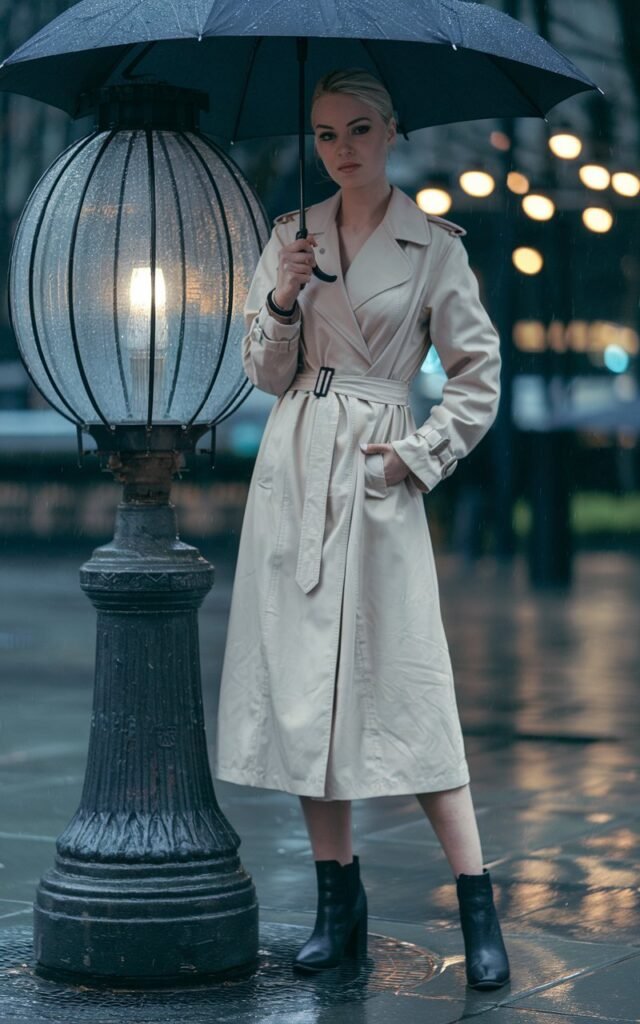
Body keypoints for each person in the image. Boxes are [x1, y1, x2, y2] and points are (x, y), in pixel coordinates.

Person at [214, 68, 510, 990]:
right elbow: (263, 375)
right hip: (297, 469)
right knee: (307, 692)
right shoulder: (287, 239)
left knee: (409, 686)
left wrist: (414, 457)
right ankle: (337, 905)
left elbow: (477, 375)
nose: (342, 148)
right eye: (327, 134)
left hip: (378, 472)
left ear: (393, 132)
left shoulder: (435, 249)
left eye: (360, 129)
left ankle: (478, 902)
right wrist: (281, 298)